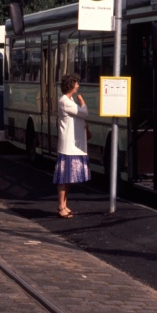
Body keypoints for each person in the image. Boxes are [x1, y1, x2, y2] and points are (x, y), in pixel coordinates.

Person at [55, 73, 90, 218]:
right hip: (68, 146)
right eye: (76, 83)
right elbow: (84, 113)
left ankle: (65, 205)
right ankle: (61, 207)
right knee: (64, 178)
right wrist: (82, 101)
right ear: (71, 85)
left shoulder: (68, 100)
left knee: (68, 178)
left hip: (72, 145)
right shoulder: (65, 101)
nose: (78, 86)